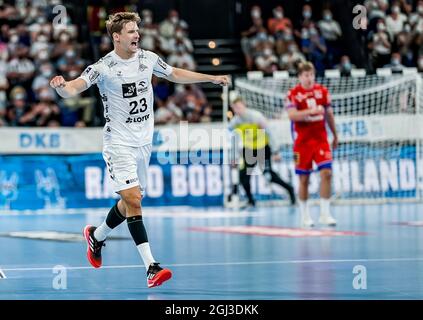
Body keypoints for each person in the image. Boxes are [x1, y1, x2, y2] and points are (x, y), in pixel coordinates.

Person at [49, 12, 229, 288]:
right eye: (131, 32)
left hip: (144, 143)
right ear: (116, 37)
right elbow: (75, 87)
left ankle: (96, 236)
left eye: (137, 31)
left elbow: (174, 73)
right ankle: (151, 267)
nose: (137, 35)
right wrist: (62, 88)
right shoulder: (103, 66)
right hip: (118, 143)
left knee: (128, 203)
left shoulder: (148, 58)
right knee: (134, 200)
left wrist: (210, 78)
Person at [285, 62, 338, 227]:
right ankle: (305, 215)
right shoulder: (293, 94)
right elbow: (292, 115)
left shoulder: (322, 92)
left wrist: (335, 135)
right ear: (300, 77)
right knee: (303, 179)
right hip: (301, 143)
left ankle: (325, 213)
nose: (309, 79)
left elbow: (329, 114)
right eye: (306, 75)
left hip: (321, 140)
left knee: (327, 173)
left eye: (311, 75)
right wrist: (310, 112)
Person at [228, 97, 296, 208]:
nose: (237, 110)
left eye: (239, 107)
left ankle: (290, 189)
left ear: (244, 106)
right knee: (243, 176)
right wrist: (234, 157)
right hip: (249, 150)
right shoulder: (235, 122)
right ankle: (250, 200)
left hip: (262, 149)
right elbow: (233, 139)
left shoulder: (256, 117)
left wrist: (276, 151)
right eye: (235, 108)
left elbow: (269, 133)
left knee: (269, 176)